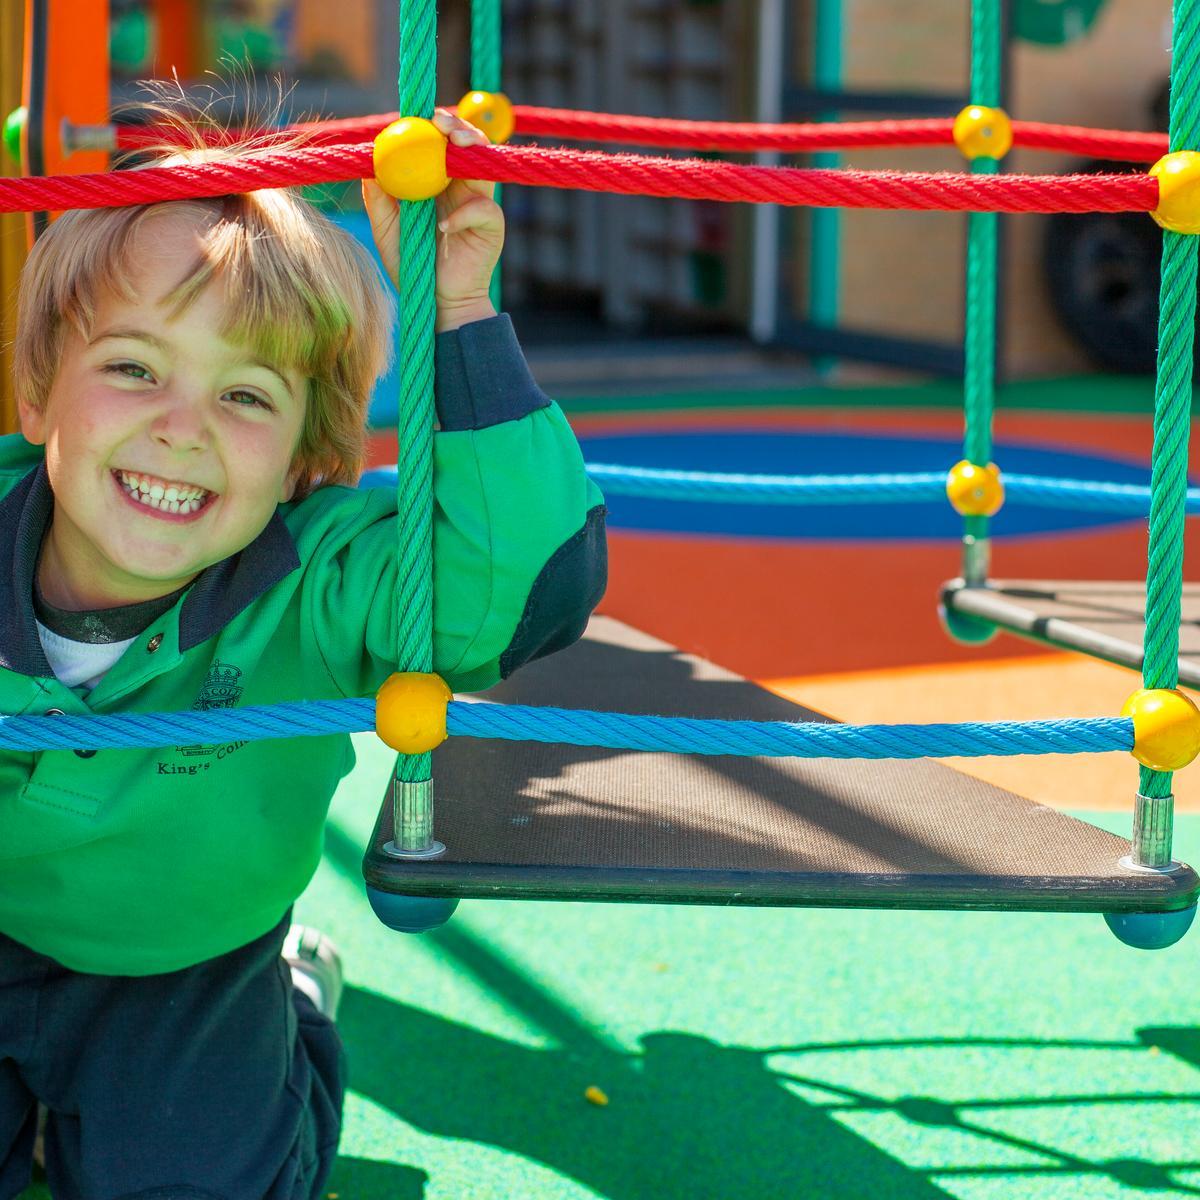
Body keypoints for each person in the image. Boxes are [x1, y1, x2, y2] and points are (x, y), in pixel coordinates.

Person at [0, 104, 606, 1199]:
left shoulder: (317, 577)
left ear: (301, 463)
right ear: (39, 391)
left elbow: (518, 597)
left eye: (244, 396)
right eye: (134, 370)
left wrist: (457, 311)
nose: (181, 427)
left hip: (187, 962)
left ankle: (301, 1024)